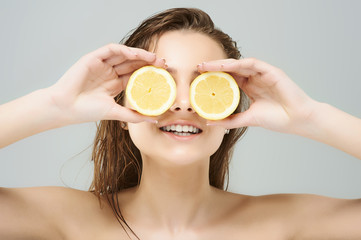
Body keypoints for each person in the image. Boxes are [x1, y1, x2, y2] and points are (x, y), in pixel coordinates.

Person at [0, 7, 360, 240]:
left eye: (206, 89)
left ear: (230, 114)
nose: (184, 103)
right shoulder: (67, 221)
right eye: (160, 84)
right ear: (121, 111)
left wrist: (309, 115)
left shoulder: (281, 223)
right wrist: (54, 104)